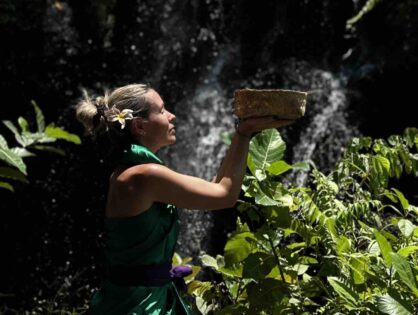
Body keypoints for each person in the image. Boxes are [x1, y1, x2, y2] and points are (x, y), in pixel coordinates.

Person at [75, 83, 295, 314]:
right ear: (140, 126)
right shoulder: (146, 175)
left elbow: (214, 188)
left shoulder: (132, 172)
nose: (172, 115)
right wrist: (244, 133)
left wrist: (242, 132)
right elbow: (225, 195)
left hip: (135, 297)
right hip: (139, 305)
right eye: (161, 111)